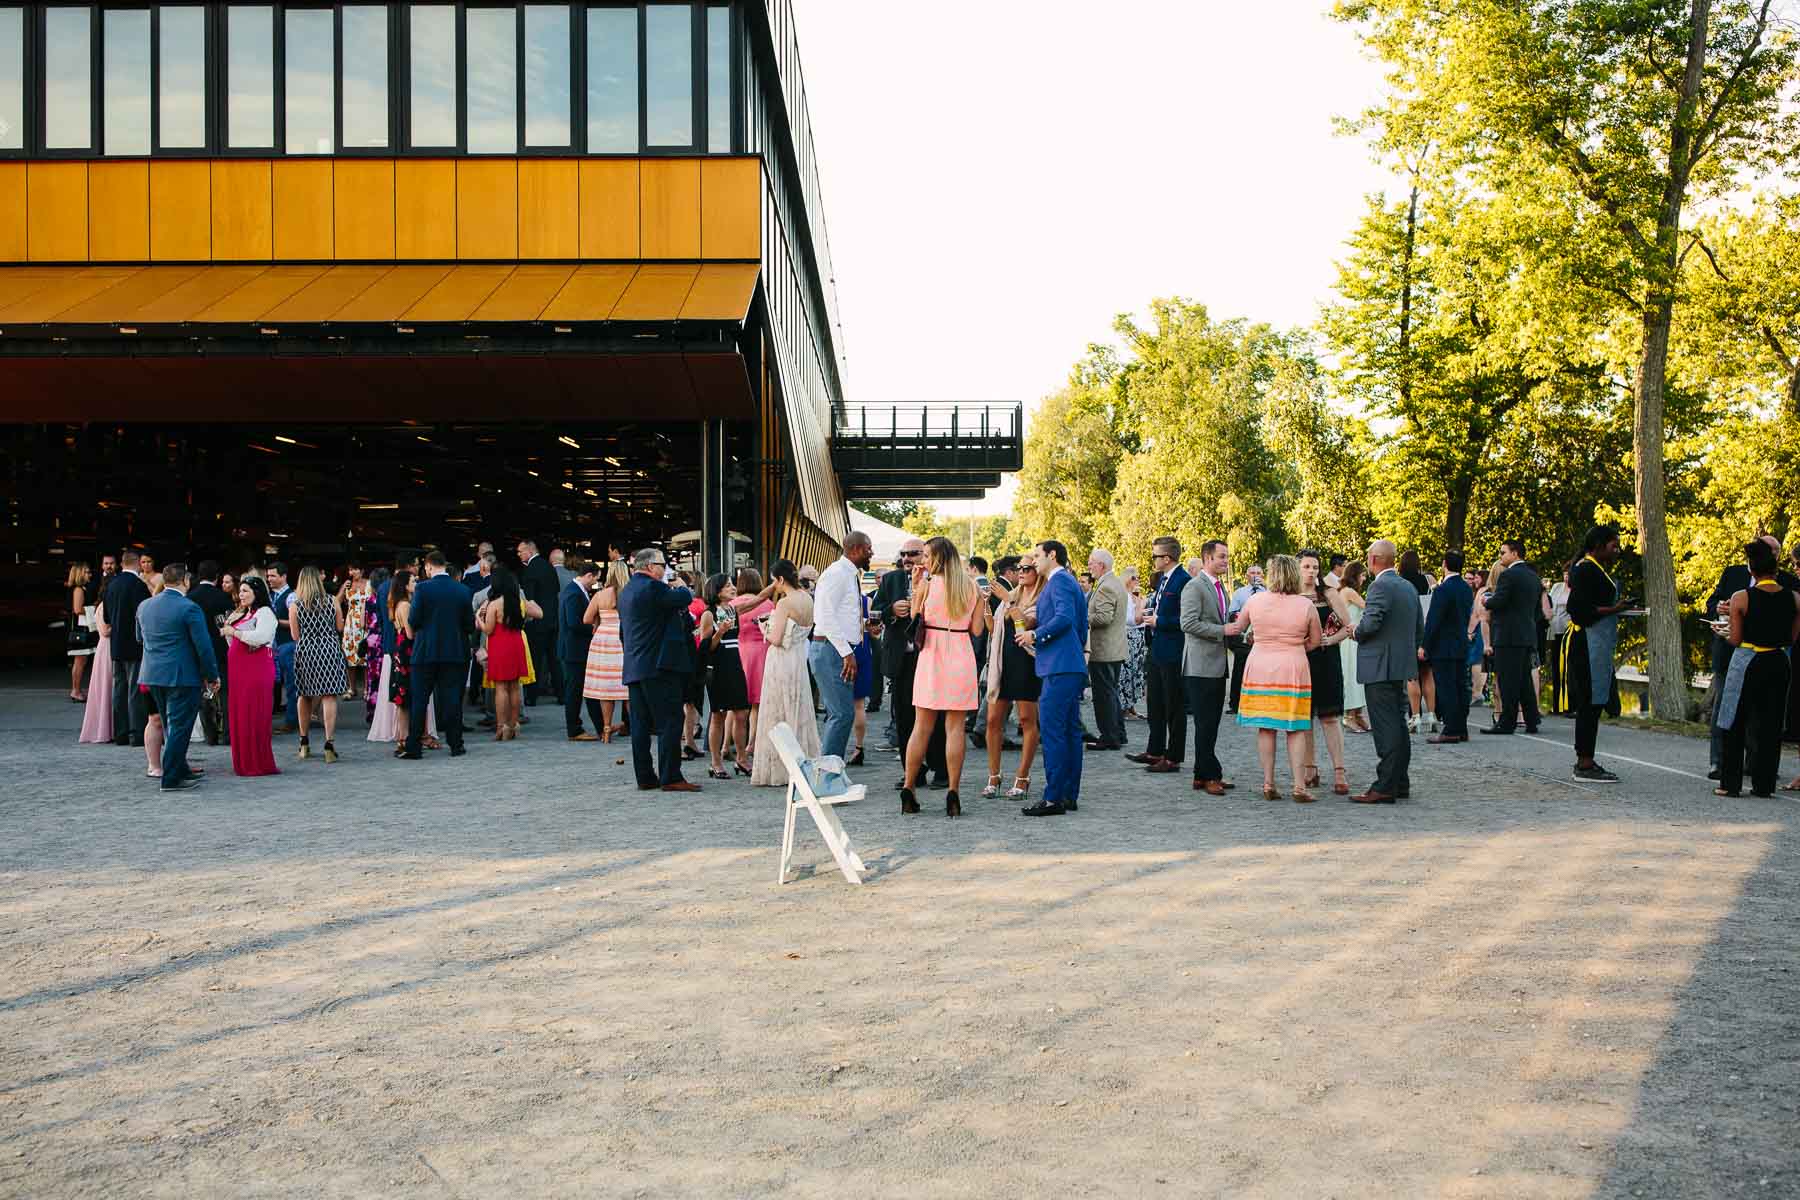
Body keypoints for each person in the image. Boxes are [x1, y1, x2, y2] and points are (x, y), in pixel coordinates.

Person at [897, 537, 988, 818]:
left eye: (926, 555)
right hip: (960, 653)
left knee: (921, 726)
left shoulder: (927, 584)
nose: (923, 560)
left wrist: (916, 589)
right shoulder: (971, 586)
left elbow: (914, 617)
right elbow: (976, 630)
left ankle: (910, 787)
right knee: (955, 728)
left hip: (931, 656)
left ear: (938, 557)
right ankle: (953, 791)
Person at [1713, 539, 1800, 797]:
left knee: (1734, 719)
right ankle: (1764, 785)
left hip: (1748, 660)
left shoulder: (1742, 597)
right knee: (1771, 723)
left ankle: (1730, 784)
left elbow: (1736, 639)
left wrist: (1721, 632)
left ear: (1751, 570)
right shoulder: (1794, 597)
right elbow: (1793, 637)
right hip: (1778, 662)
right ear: (1776, 570)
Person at [1234, 555, 1321, 800]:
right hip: (1292, 666)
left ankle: (1268, 783)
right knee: (1295, 728)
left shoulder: (1255, 600)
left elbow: (1240, 628)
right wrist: (1294, 646)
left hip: (1260, 664)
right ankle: (1298, 786)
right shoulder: (1305, 606)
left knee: (1266, 727)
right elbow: (1315, 640)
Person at [619, 547, 701, 792]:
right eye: (662, 565)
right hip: (659, 666)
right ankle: (671, 775)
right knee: (670, 721)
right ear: (649, 566)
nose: (665, 569)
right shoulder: (654, 587)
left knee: (641, 725)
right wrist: (679, 584)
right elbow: (685, 597)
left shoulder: (626, 591)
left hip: (635, 665)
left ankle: (645, 777)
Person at [1018, 540, 1089, 816]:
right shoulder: (1068, 582)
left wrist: (1034, 635)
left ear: (1052, 555)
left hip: (1059, 666)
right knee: (1069, 731)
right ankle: (1067, 794)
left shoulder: (1059, 582)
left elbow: (1065, 618)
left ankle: (1053, 798)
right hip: (1068, 663)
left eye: (1037, 555)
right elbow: (1079, 624)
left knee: (1053, 731)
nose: (1034, 560)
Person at [135, 563, 221, 792]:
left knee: (169, 723)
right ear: (185, 581)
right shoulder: (189, 608)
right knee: (180, 727)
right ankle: (171, 777)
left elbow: (139, 638)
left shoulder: (144, 606)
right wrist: (211, 674)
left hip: (152, 673)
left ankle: (179, 768)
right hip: (182, 675)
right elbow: (203, 645)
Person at [1351, 539, 1425, 804]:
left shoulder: (1379, 586)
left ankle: (1384, 785)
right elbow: (1419, 626)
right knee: (1398, 725)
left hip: (1379, 665)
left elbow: (1370, 624)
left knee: (1386, 728)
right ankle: (1399, 781)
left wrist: (1355, 631)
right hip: (1400, 665)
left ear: (1373, 559)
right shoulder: (1407, 586)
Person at [1554, 525, 1629, 783]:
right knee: (1589, 702)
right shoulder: (1586, 569)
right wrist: (1614, 609)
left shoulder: (1593, 569)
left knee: (1595, 702)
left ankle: (1586, 758)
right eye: (1613, 546)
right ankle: (1584, 763)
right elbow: (1579, 609)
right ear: (1598, 545)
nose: (1616, 551)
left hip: (1595, 642)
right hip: (1586, 642)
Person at [873, 539, 949, 788]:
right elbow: (876, 610)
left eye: (913, 554)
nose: (907, 558)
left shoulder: (940, 580)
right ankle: (912, 772)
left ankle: (941, 769)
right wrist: (892, 611)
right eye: (903, 553)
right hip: (901, 658)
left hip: (929, 656)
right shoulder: (891, 579)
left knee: (935, 716)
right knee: (904, 717)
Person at [751, 561, 821, 787]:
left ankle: (780, 768)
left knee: (777, 711)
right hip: (799, 658)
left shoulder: (784, 603)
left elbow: (776, 638)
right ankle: (803, 762)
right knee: (799, 709)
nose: (774, 585)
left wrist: (764, 627)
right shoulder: (808, 598)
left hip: (781, 660)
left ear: (780, 579)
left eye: (774, 581)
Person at [1178, 539, 1237, 796]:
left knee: (1211, 722)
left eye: (1226, 556)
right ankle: (1209, 775)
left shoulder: (1219, 586)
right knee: (1205, 723)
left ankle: (1202, 774)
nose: (1225, 561)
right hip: (1200, 665)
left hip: (1215, 662)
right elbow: (1188, 623)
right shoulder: (1195, 586)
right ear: (1207, 559)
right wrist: (1222, 630)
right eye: (1221, 556)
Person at [981, 555, 1042, 800]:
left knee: (1027, 720)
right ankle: (994, 776)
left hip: (1027, 663)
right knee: (993, 720)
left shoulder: (1040, 597)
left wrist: (1008, 600)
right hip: (1003, 663)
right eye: (1019, 568)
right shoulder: (1013, 594)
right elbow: (993, 629)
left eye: (1027, 567)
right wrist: (985, 604)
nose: (1021, 571)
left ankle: (1022, 777)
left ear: (1037, 572)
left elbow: (1025, 624)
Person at [405, 551, 475, 760]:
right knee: (453, 699)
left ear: (428, 567)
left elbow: (414, 619)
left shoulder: (423, 589)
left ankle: (414, 746)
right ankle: (456, 744)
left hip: (426, 651)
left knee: (419, 700)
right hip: (455, 652)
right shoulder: (463, 590)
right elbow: (469, 625)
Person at [810, 532, 874, 761]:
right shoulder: (837, 573)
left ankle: (830, 771)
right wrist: (847, 653)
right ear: (855, 549)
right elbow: (824, 617)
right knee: (841, 714)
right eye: (868, 549)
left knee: (842, 714)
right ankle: (827, 775)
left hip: (835, 648)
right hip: (831, 649)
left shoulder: (847, 574)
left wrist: (864, 628)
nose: (871, 553)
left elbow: (842, 615)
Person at [1296, 550, 1354, 795]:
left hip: (1327, 660)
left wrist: (1331, 641)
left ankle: (1339, 770)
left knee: (1330, 717)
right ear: (1298, 568)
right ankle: (1310, 769)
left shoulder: (1329, 593)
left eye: (1315, 567)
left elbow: (1348, 626)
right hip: (1300, 660)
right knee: (1304, 718)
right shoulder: (1290, 596)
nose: (1311, 571)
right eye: (1307, 566)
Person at [1131, 537, 1189, 773]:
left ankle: (1173, 757)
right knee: (1154, 701)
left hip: (1173, 649)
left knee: (1174, 705)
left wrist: (1160, 621)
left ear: (1167, 558)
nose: (1153, 559)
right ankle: (1155, 749)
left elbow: (1186, 619)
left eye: (1155, 555)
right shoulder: (1164, 580)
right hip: (1156, 647)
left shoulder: (1184, 581)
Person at [1482, 540, 1545, 735]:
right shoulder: (1533, 577)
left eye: (1503, 552)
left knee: (1508, 680)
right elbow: (1537, 610)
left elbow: (1499, 601)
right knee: (1524, 680)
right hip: (1526, 634)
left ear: (1515, 553)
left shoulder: (1508, 576)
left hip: (1508, 636)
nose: (1500, 556)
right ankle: (1532, 719)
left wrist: (1487, 601)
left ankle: (1507, 721)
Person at [221, 575, 280, 777]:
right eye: (241, 590)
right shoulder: (244, 613)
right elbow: (235, 644)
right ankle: (243, 760)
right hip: (239, 670)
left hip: (256, 669)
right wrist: (230, 632)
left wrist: (234, 632)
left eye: (246, 591)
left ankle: (257, 761)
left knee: (253, 712)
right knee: (240, 713)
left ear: (257, 592)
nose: (241, 594)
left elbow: (261, 638)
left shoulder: (265, 613)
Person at [288, 565, 348, 762]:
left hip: (306, 650)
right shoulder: (332, 601)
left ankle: (304, 742)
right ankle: (329, 745)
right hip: (329, 648)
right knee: (329, 696)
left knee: (304, 695)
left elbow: (295, 635)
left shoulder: (295, 606)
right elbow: (340, 627)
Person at [699, 574, 752, 779]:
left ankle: (741, 758)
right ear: (717, 590)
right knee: (718, 716)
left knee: (741, 714)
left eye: (732, 584)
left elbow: (754, 602)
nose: (733, 588)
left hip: (735, 663)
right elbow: (706, 648)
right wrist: (719, 633)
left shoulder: (733, 609)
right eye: (728, 585)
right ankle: (716, 763)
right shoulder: (708, 614)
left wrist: (772, 587)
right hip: (718, 666)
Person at [479, 569, 537, 743]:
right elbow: (536, 613)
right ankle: (514, 724)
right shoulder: (519, 602)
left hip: (499, 645)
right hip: (517, 643)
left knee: (501, 688)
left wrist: (478, 619)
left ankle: (501, 726)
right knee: (514, 686)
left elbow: (488, 630)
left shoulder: (494, 604)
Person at [1422, 552, 1474, 744]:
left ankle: (1451, 729)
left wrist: (1425, 644)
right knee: (1461, 687)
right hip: (1460, 643)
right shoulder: (1466, 588)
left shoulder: (1443, 590)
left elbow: (1434, 621)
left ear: (1444, 564)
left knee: (1447, 688)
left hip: (1443, 646)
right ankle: (1461, 727)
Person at [101, 549, 151, 747]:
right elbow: (145, 615)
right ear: (138, 562)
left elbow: (106, 617)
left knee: (119, 689)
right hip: (134, 645)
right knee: (134, 691)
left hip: (116, 645)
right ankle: (136, 733)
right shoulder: (138, 585)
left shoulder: (111, 585)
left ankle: (120, 732)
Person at [582, 560, 631, 741]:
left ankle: (607, 729)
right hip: (624, 638)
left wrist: (598, 621)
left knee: (606, 688)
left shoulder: (600, 595)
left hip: (603, 640)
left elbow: (586, 618)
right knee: (628, 689)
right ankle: (635, 726)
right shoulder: (629, 595)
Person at [1085, 549, 1128, 752]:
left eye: (1091, 563)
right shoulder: (1115, 582)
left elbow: (1103, 618)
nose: (1089, 566)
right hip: (1113, 648)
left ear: (1101, 565)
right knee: (1111, 692)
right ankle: (1118, 733)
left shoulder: (1105, 587)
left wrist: (1082, 617)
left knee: (1104, 695)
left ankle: (1109, 736)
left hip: (1104, 649)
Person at [558, 560, 606, 742]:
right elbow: (573, 623)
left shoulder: (575, 591)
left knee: (581, 689)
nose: (594, 583)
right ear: (588, 575)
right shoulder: (573, 593)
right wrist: (594, 628)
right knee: (575, 691)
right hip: (574, 650)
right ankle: (574, 729)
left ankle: (600, 726)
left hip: (575, 649)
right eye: (594, 580)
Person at [188, 563, 233, 747]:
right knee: (225, 693)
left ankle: (210, 734)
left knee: (204, 693)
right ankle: (229, 734)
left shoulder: (190, 597)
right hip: (221, 649)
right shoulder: (223, 597)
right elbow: (230, 622)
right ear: (216, 577)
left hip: (197, 651)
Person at [732, 567, 774, 745]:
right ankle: (752, 744)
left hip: (738, 652)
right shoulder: (768, 604)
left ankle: (727, 744)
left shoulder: (733, 604)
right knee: (757, 704)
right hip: (762, 653)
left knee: (734, 706)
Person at [516, 540, 562, 706]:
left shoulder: (530, 571)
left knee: (534, 659)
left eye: (520, 551)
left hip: (537, 622)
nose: (519, 554)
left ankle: (531, 696)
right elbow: (556, 590)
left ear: (529, 550)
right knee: (554, 659)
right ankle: (561, 693)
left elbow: (530, 598)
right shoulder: (549, 567)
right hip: (553, 620)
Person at [78, 568, 117, 745]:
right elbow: (104, 630)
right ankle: (105, 728)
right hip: (106, 647)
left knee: (109, 686)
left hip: (106, 648)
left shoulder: (103, 605)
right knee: (107, 686)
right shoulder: (102, 607)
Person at [1227, 563, 1265, 715]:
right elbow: (1233, 613)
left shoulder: (1269, 591)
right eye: (1252, 572)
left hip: (1264, 637)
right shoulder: (1240, 593)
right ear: (1246, 576)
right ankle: (1235, 703)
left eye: (1258, 572)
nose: (1255, 575)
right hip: (1244, 637)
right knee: (1240, 667)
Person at [265, 563, 298, 733]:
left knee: (291, 685)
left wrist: (276, 621)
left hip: (288, 645)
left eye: (273, 576)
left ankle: (292, 721)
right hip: (274, 646)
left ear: (283, 576)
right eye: (268, 576)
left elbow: (297, 622)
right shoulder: (270, 596)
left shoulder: (291, 597)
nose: (269, 579)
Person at [1337, 561, 1370, 733]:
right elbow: (1369, 608)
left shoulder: (1346, 591)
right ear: (1355, 575)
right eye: (1362, 575)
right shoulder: (1349, 591)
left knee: (1357, 677)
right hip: (1350, 640)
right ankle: (1349, 715)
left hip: (1354, 639)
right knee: (1351, 676)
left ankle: (1357, 714)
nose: (1364, 578)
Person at [66, 563, 97, 702]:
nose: (89, 575)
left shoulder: (81, 588)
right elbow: (78, 609)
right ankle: (75, 690)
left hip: (83, 627)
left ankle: (76, 690)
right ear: (79, 574)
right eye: (86, 572)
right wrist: (95, 609)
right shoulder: (78, 589)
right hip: (80, 629)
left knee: (81, 661)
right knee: (79, 661)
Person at [340, 565, 370, 702]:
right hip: (350, 623)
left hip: (366, 622)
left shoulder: (369, 583)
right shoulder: (347, 584)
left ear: (362, 570)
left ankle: (366, 689)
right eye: (350, 570)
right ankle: (352, 688)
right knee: (349, 655)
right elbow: (337, 602)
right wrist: (343, 588)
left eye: (355, 569)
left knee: (366, 657)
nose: (352, 572)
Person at [1546, 565, 1573, 712]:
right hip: (1555, 631)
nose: (1566, 577)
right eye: (1564, 574)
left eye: (1569, 574)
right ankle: (1557, 705)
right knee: (1556, 668)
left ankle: (1569, 705)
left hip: (1569, 631)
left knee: (1568, 669)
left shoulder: (1577, 589)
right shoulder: (1557, 587)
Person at [1121, 566, 1147, 719]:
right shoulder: (1124, 596)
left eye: (1138, 577)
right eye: (1134, 578)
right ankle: (1124, 708)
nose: (1137, 580)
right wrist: (1141, 606)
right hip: (1129, 636)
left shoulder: (1133, 596)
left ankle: (1131, 707)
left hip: (1138, 637)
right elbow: (1132, 620)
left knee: (1135, 672)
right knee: (1126, 673)